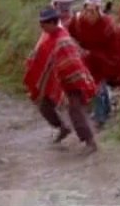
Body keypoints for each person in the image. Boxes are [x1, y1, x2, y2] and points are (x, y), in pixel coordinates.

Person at [24, 8, 98, 152]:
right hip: (55, 80)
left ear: (53, 23)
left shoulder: (63, 40)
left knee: (75, 110)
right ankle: (62, 127)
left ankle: (90, 142)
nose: (42, 27)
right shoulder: (48, 38)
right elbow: (41, 59)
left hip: (72, 80)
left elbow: (72, 62)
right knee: (44, 105)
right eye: (41, 24)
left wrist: (68, 78)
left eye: (44, 24)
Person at [67, 0, 120, 128]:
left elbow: (115, 48)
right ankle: (104, 110)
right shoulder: (77, 21)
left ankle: (101, 116)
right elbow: (67, 34)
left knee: (98, 85)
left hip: (102, 60)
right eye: (87, 10)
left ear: (98, 11)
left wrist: (107, 60)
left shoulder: (108, 25)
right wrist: (76, 47)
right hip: (85, 60)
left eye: (93, 11)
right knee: (93, 86)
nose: (89, 14)